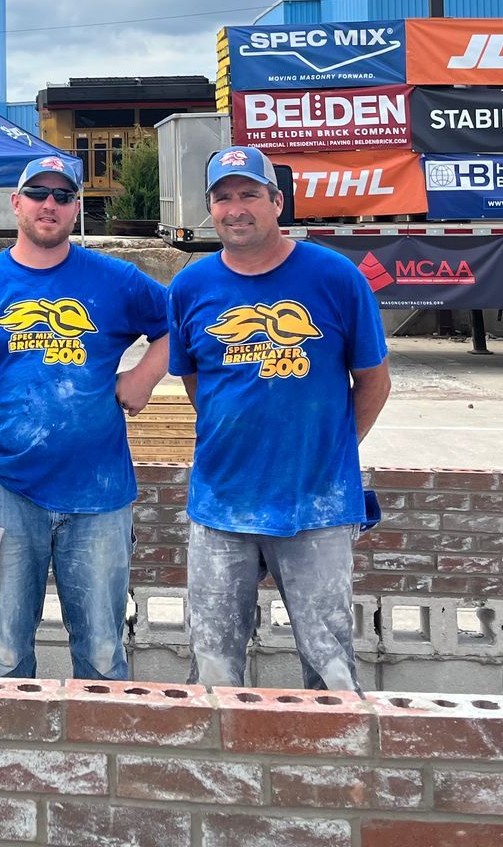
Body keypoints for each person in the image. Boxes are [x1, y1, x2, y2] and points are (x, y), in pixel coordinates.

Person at [0, 154, 172, 680]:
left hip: (99, 493)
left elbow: (181, 322)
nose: (49, 204)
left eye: (62, 195)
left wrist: (144, 376)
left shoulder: (114, 279)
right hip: (4, 490)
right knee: (6, 650)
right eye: (38, 193)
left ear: (76, 208)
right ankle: (8, 737)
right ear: (16, 203)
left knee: (102, 652)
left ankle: (100, 736)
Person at [168, 144, 392, 692]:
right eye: (223, 198)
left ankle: (333, 748)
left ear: (277, 202)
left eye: (249, 194)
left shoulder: (334, 277)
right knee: (214, 661)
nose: (236, 209)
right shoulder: (191, 286)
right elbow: (197, 383)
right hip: (222, 501)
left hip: (316, 503)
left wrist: (332, 451)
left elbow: (374, 381)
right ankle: (223, 748)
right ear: (210, 209)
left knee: (330, 661)